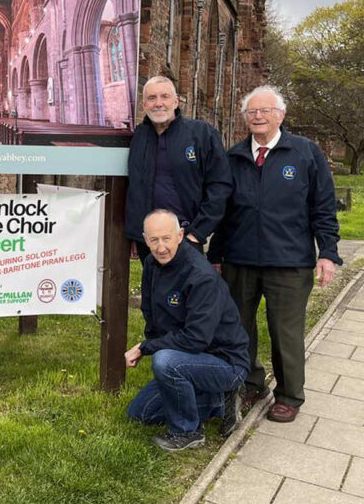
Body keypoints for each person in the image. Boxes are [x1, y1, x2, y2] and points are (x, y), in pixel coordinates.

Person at [208, 85, 341, 423]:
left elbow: (323, 208)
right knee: (239, 328)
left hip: (290, 263)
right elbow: (224, 213)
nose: (258, 116)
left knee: (285, 331)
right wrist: (217, 256)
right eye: (252, 111)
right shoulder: (234, 156)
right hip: (240, 260)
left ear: (281, 115)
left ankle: (289, 395)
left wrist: (328, 253)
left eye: (265, 110)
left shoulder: (305, 153)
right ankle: (251, 383)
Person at [126, 210, 249, 451]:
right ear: (144, 239)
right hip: (192, 358)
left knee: (165, 361)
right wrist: (152, 339)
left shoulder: (200, 276)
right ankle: (219, 402)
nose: (161, 247)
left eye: (166, 238)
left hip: (225, 361)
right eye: (154, 240)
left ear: (180, 235)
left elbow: (195, 339)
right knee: (140, 413)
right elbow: (150, 311)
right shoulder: (152, 263)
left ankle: (187, 432)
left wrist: (146, 348)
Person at [125, 76, 232, 261]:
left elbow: (220, 186)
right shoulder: (137, 138)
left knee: (189, 290)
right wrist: (135, 232)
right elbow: (133, 188)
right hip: (148, 241)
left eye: (164, 96)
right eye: (152, 98)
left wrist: (197, 233)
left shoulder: (201, 134)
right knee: (153, 290)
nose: (158, 103)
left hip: (185, 237)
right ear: (144, 105)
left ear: (175, 101)